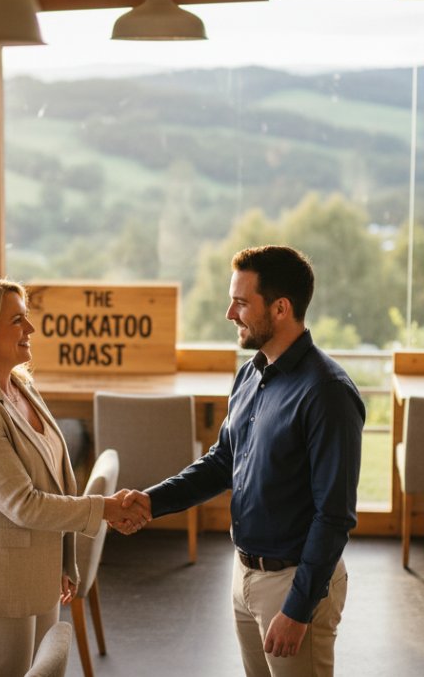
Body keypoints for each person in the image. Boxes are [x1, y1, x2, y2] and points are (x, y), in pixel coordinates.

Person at [119, 245, 364, 676]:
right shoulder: (251, 374)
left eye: (242, 302)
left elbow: (334, 516)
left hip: (291, 585)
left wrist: (299, 608)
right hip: (244, 574)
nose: (230, 313)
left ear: (282, 308)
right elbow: (221, 463)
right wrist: (151, 502)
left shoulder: (327, 392)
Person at [0, 276, 147, 677]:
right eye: (17, 321)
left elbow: (56, 479)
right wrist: (106, 509)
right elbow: (22, 503)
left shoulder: (19, 386)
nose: (30, 329)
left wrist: (66, 560)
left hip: (39, 573)